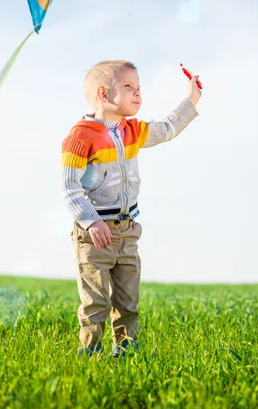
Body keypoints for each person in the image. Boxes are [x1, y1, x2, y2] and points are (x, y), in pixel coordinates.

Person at [61, 60, 202, 357]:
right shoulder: (79, 137)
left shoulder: (132, 132)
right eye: (128, 87)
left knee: (128, 301)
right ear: (103, 93)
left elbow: (167, 128)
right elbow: (71, 189)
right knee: (96, 301)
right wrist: (91, 221)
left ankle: (126, 353)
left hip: (127, 232)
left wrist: (191, 99)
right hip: (95, 235)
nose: (138, 93)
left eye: (139, 88)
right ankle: (91, 355)